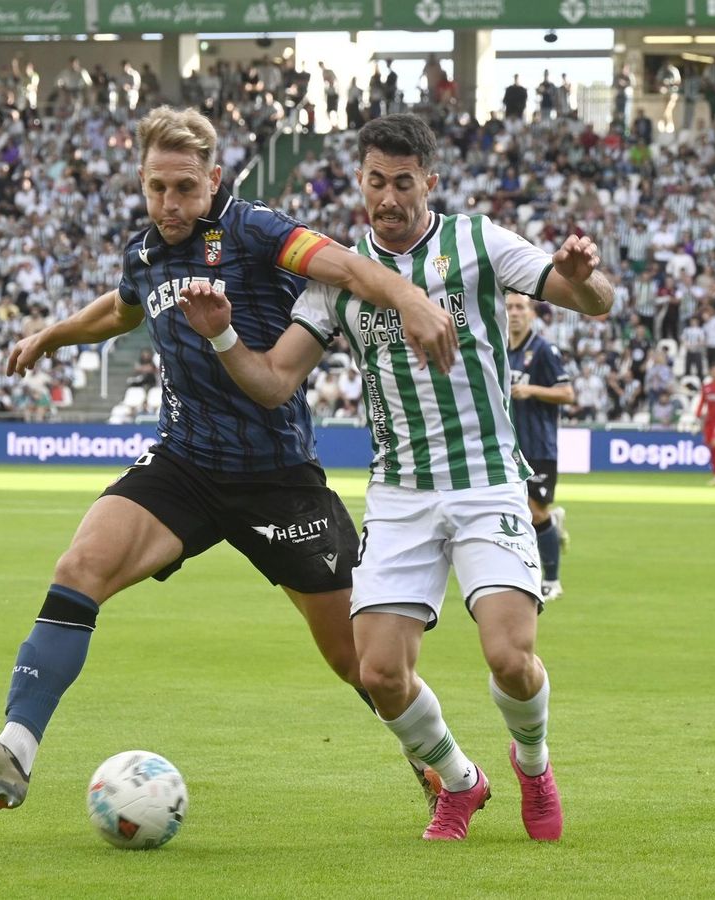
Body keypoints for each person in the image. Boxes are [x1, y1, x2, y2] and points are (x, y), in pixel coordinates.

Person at [0, 106, 460, 814]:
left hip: (278, 478)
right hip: (185, 465)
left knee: (356, 659)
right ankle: (14, 752)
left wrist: (411, 299)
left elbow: (347, 266)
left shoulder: (255, 230)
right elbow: (122, 310)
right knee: (79, 568)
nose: (170, 204)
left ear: (213, 180)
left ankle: (441, 766)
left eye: (184, 188)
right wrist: (54, 335)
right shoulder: (145, 253)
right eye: (157, 188)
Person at [176, 113, 613, 842]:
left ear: (429, 182)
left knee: (510, 658)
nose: (388, 197)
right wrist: (221, 333)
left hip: (485, 481)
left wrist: (578, 275)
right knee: (378, 674)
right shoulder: (339, 280)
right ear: (360, 181)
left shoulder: (478, 242)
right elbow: (275, 382)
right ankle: (461, 783)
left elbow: (597, 301)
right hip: (401, 494)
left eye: (403, 183)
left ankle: (533, 765)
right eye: (375, 181)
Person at [506, 292, 574, 600]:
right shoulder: (500, 350)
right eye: (509, 307)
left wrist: (531, 390)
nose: (514, 312)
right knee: (517, 511)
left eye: (520, 307)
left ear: (532, 313)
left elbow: (567, 393)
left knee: (535, 512)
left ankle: (553, 580)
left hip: (539, 445)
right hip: (510, 445)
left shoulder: (544, 350)